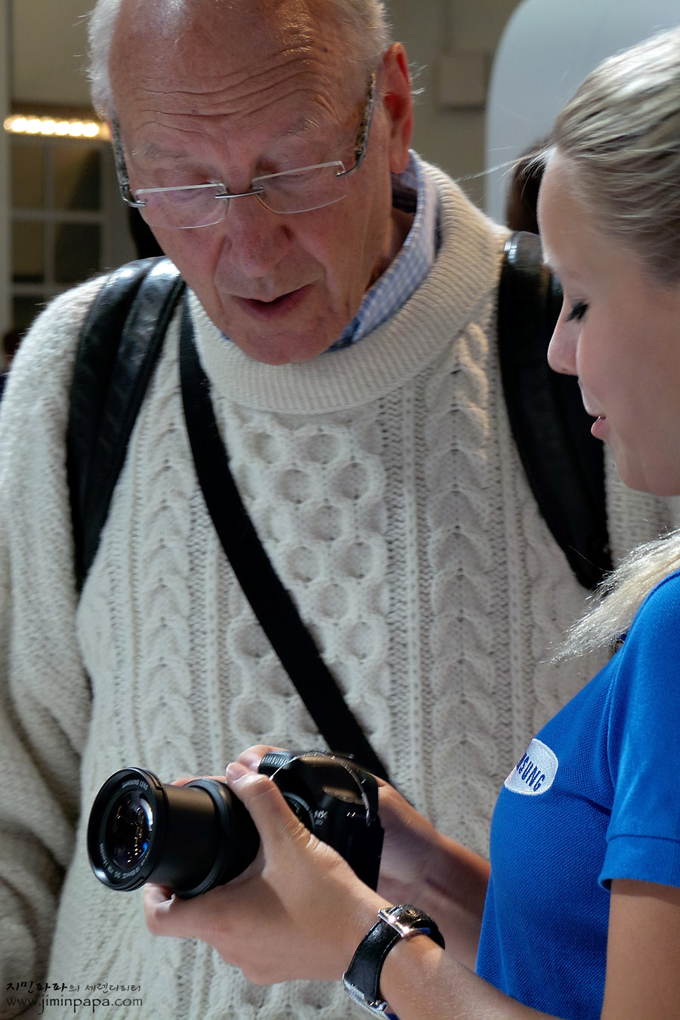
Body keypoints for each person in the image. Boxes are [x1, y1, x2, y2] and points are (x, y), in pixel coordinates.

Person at [0, 1, 673, 1017]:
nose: (248, 246)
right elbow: (13, 806)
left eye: (292, 167)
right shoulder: (80, 375)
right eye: (180, 182)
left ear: (391, 107)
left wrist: (365, 944)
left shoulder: (590, 373)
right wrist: (430, 884)